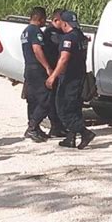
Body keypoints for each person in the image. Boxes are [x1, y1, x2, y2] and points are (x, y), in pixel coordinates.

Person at [45, 11, 95, 149]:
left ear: (64, 23)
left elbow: (64, 59)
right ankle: (70, 138)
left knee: (63, 109)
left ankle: (85, 133)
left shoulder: (68, 38)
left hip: (69, 78)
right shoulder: (80, 36)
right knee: (74, 108)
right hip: (79, 77)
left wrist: (53, 76)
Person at [21, 7, 52, 143]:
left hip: (28, 68)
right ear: (41, 19)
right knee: (46, 99)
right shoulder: (35, 31)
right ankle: (32, 127)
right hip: (36, 69)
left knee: (32, 99)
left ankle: (34, 127)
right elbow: (37, 49)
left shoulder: (25, 31)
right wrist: (47, 67)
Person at [43, 9, 67, 138]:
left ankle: (58, 126)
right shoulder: (51, 33)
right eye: (63, 21)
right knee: (54, 99)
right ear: (56, 20)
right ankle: (55, 126)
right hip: (53, 69)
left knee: (58, 98)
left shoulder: (58, 32)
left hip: (57, 70)